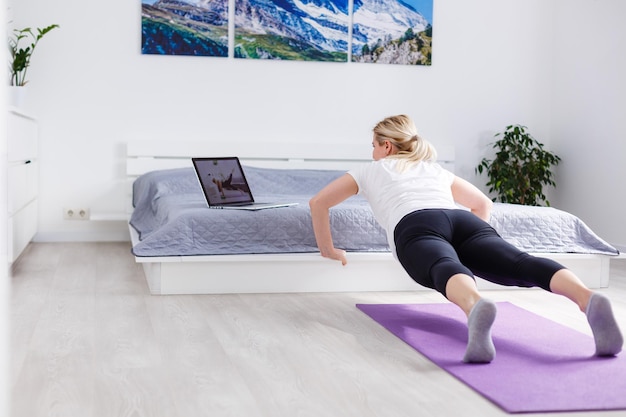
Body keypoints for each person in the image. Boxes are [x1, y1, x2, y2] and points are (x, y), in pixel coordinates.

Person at [309, 114, 623, 363]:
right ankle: (586, 297)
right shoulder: (434, 171)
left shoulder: (368, 171)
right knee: (520, 262)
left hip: (415, 224)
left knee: (441, 264)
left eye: (374, 145)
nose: (372, 151)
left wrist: (329, 249)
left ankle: (474, 306)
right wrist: (471, 244)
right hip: (463, 221)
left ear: (387, 146)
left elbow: (318, 202)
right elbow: (482, 204)